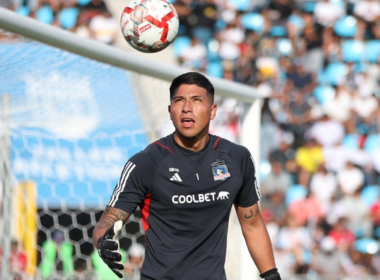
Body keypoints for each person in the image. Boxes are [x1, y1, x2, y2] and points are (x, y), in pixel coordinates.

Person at [92, 72, 281, 280]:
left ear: (212, 111)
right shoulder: (146, 162)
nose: (186, 108)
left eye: (196, 100)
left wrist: (271, 275)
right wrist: (102, 240)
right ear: (170, 111)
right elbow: (107, 221)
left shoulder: (236, 158)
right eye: (179, 100)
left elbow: (252, 223)